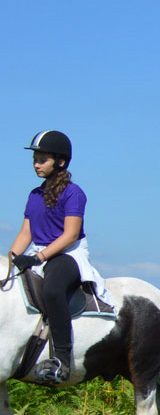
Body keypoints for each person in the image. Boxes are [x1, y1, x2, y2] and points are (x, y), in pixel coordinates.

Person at [7, 130, 95, 384]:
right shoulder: (34, 194)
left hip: (68, 254)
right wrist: (11, 259)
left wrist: (38, 257)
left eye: (42, 159)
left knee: (53, 290)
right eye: (35, 159)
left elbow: (70, 234)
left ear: (61, 162)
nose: (36, 164)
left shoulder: (73, 193)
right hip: (40, 252)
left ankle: (62, 360)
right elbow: (26, 232)